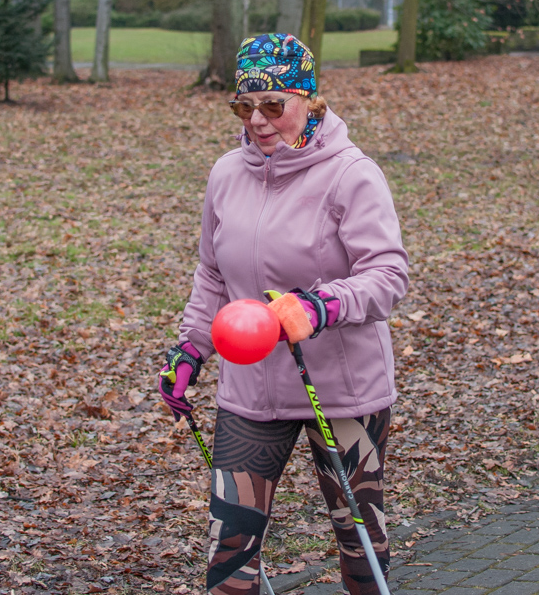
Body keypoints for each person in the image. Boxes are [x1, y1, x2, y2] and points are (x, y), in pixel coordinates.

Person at [157, 33, 408, 595]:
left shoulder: (351, 173)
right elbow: (212, 275)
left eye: (274, 104)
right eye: (245, 106)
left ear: (310, 100)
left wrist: (321, 305)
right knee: (230, 548)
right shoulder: (226, 174)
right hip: (251, 389)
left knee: (358, 536)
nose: (258, 120)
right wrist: (189, 349)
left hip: (341, 389)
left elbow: (388, 276)